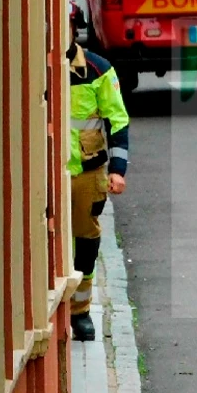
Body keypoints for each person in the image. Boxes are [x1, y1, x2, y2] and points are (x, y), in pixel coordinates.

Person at [67, 39, 130, 341]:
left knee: (86, 239)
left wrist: (118, 170)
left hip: (87, 171)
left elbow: (116, 118)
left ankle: (80, 312)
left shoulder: (97, 69)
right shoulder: (35, 63)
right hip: (45, 170)